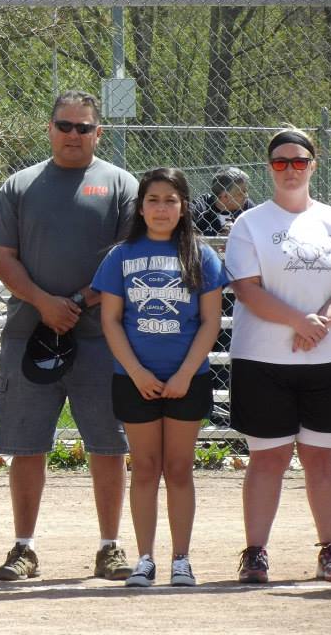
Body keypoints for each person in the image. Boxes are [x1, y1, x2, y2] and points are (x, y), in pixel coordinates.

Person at [0, 90, 138, 581]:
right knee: (27, 445)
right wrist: (44, 303)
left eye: (84, 127)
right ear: (49, 128)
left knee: (107, 445)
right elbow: (2, 256)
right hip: (30, 334)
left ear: (99, 132)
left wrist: (81, 301)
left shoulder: (120, 185)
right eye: (65, 126)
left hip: (101, 338)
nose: (74, 135)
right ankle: (23, 548)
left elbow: (129, 257)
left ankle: (110, 547)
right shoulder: (19, 185)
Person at [92, 167, 227, 587]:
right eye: (153, 200)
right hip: (135, 379)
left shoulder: (201, 255)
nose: (162, 208)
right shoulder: (120, 255)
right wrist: (135, 371)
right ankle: (145, 558)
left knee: (180, 468)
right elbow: (111, 320)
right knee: (147, 468)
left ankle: (181, 559)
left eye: (171, 200)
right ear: (141, 206)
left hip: (187, 379)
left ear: (184, 206)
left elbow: (210, 321)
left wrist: (187, 373)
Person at [224, 127, 331, 584]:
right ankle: (255, 553)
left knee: (323, 461)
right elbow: (246, 288)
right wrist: (298, 321)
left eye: (299, 161)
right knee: (267, 458)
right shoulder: (251, 223)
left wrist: (322, 322)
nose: (290, 169)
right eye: (280, 162)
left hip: (326, 358)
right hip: (263, 359)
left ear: (314, 164)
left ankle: (330, 549)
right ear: (269, 168)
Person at [191, 167, 255, 236]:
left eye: (246, 191)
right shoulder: (202, 206)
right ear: (225, 196)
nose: (246, 196)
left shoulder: (247, 206)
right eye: (241, 193)